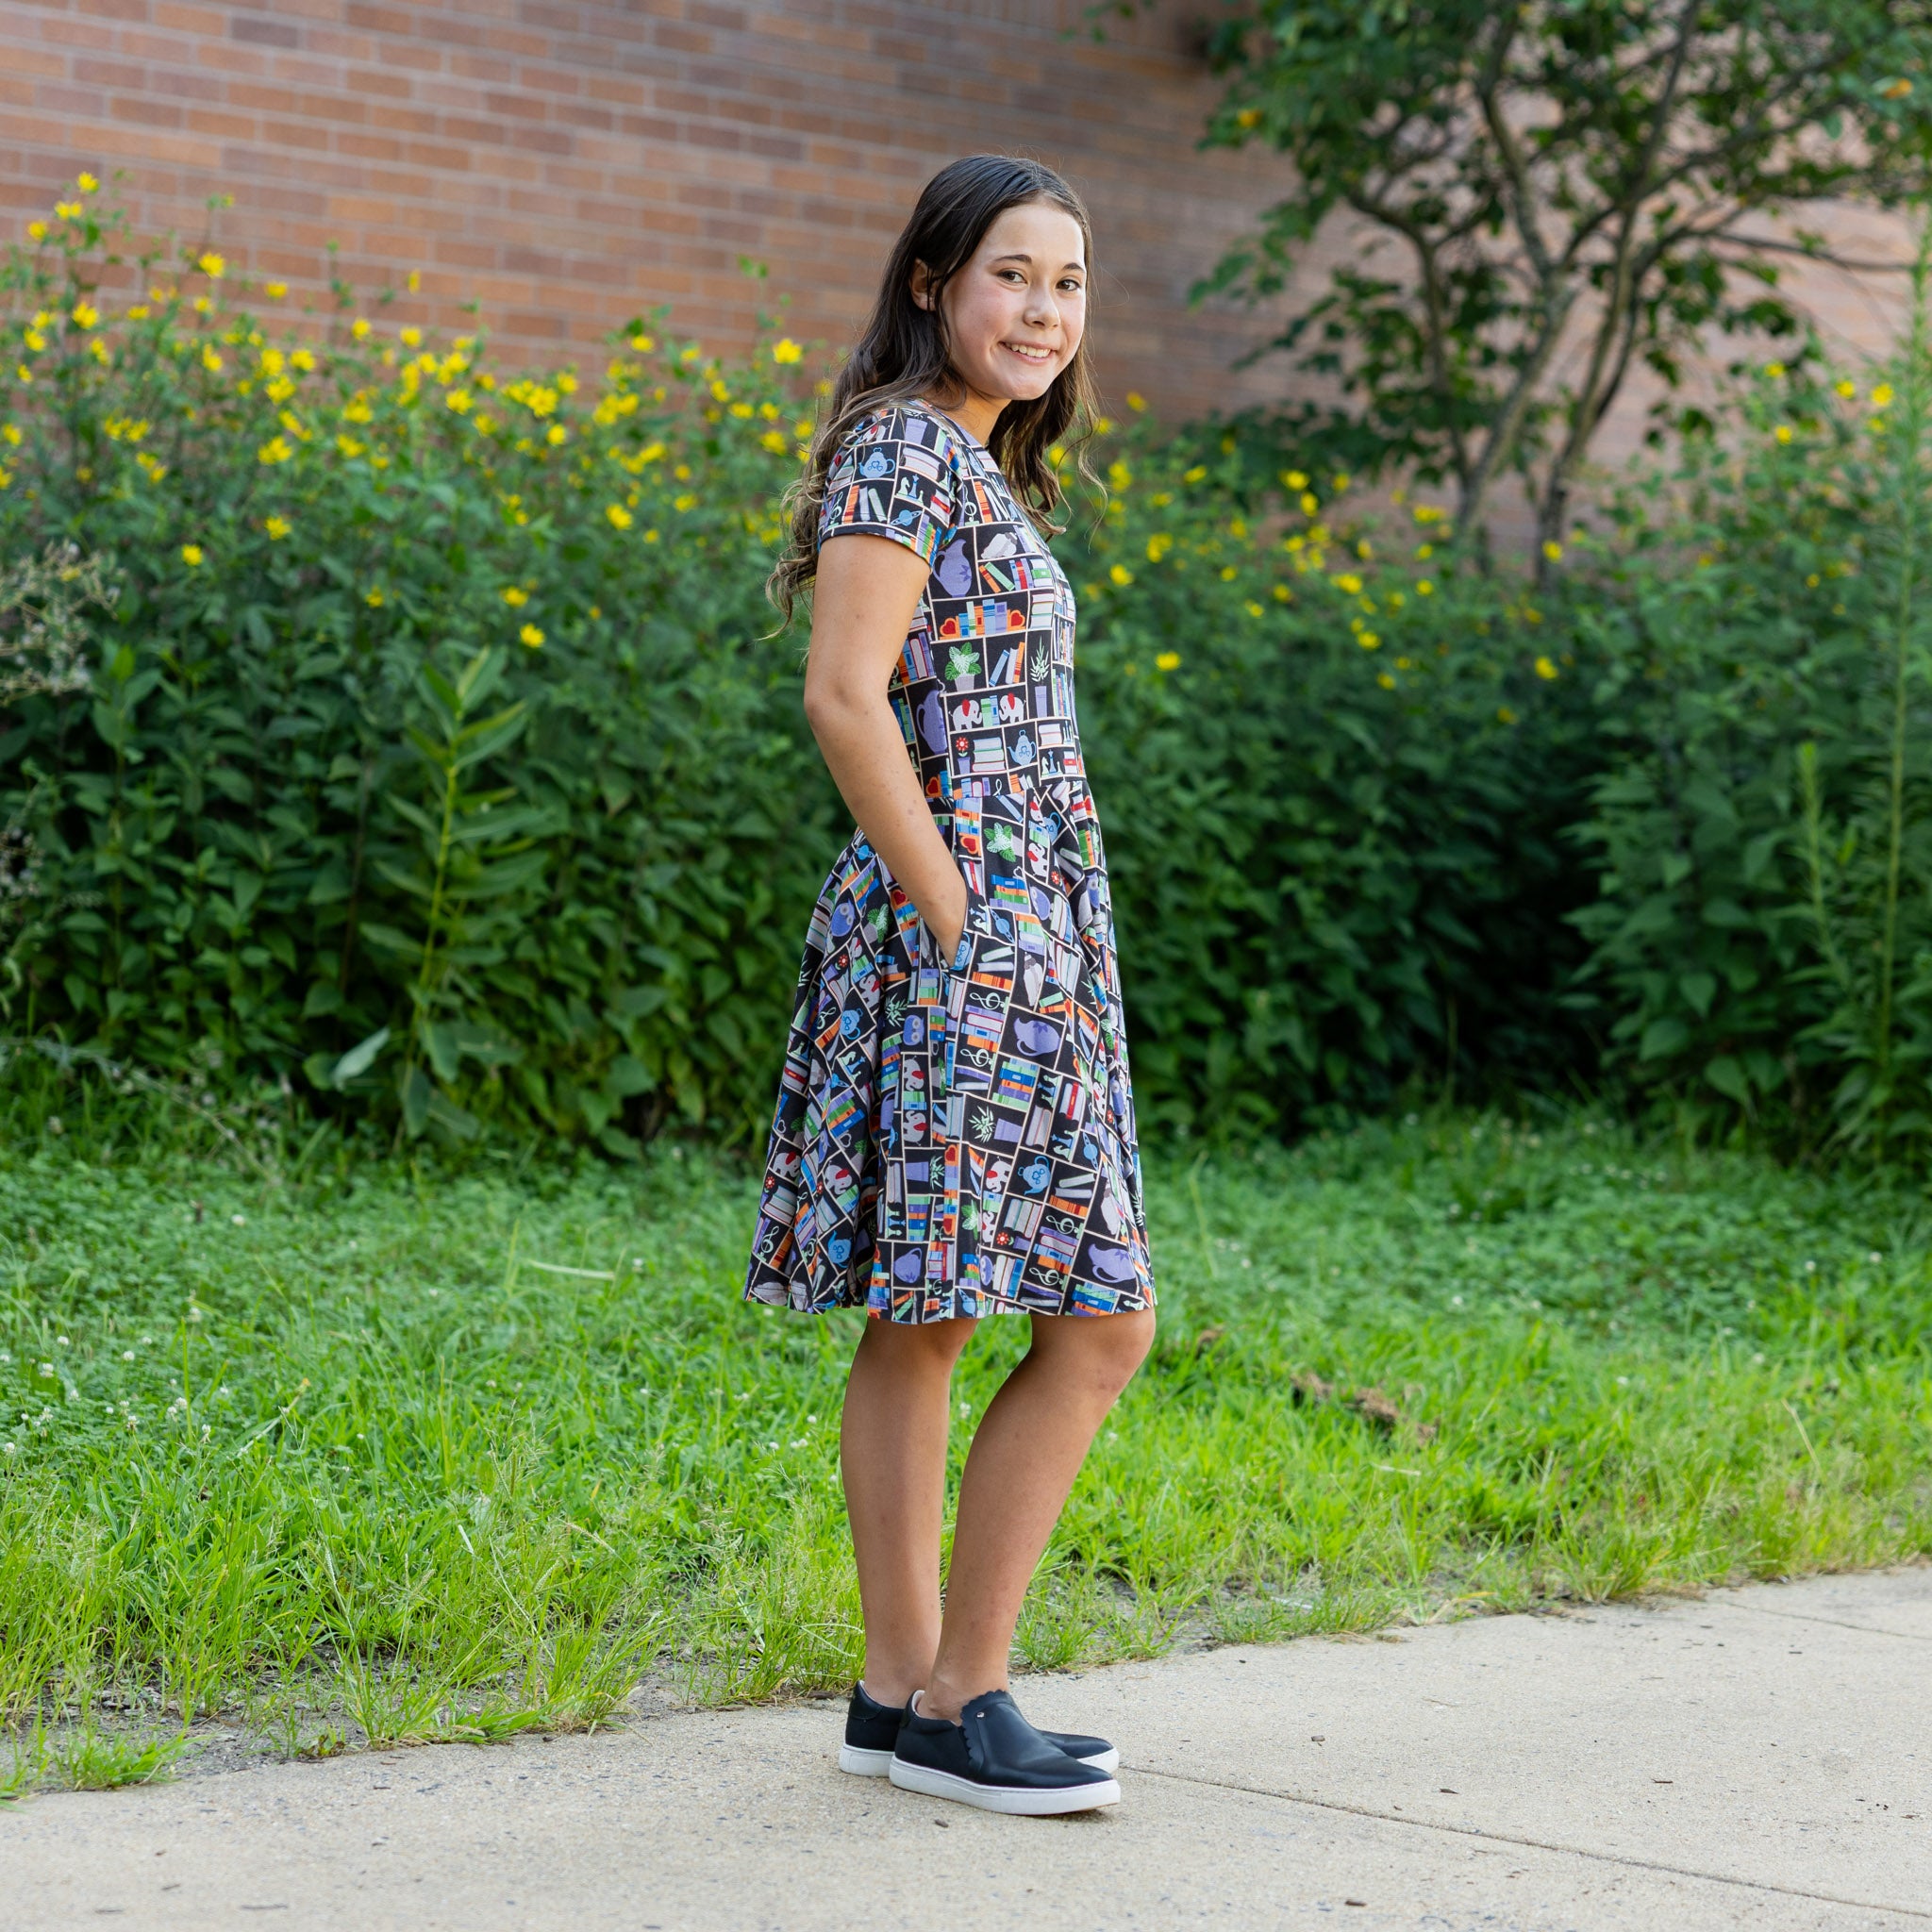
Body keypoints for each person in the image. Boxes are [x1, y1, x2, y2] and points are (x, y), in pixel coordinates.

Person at [744, 154, 1156, 1817]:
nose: (1045, 311)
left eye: (1069, 283)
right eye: (1011, 275)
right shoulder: (911, 450)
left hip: (1013, 928)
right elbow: (844, 697)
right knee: (1065, 1318)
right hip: (965, 932)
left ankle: (902, 1693)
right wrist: (966, 922)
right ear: (931, 283)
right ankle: (957, 1694)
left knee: (950, 1309)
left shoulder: (968, 465)